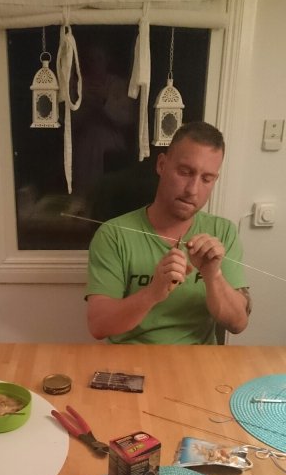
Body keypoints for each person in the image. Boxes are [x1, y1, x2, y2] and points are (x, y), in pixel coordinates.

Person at [85, 121, 251, 344]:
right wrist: (153, 293)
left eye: (206, 179)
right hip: (131, 358)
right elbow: (99, 326)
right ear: (162, 165)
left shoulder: (223, 232)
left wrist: (213, 276)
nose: (192, 190)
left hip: (198, 359)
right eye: (185, 172)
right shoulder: (113, 235)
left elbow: (238, 324)